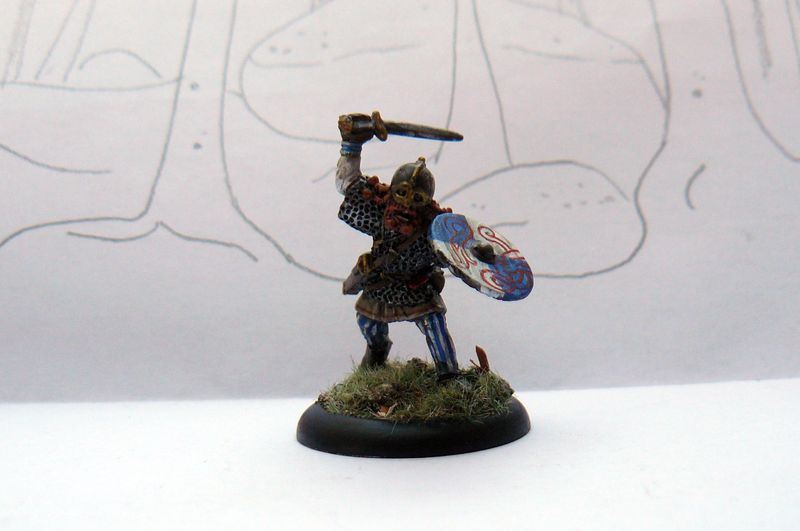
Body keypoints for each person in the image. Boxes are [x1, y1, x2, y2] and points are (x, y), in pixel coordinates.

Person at [335, 114, 460, 381]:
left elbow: (454, 257)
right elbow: (347, 183)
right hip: (381, 282)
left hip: (416, 286)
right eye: (402, 193)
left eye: (417, 198)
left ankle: (449, 374)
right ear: (392, 191)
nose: (406, 204)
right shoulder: (379, 211)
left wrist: (474, 257)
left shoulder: (432, 228)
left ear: (427, 201)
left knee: (434, 323)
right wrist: (351, 145)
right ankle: (377, 353)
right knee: (368, 322)